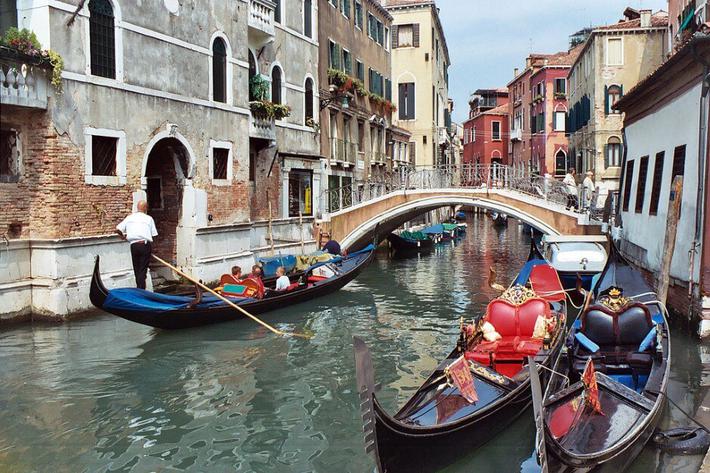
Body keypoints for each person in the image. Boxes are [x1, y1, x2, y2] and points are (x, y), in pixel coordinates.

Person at [116, 200, 158, 290]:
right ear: (145, 208)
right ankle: (141, 290)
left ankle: (139, 289)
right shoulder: (149, 218)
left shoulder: (130, 217)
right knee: (143, 270)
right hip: (144, 245)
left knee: (137, 269)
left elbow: (118, 229)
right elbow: (154, 235)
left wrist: (122, 236)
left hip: (134, 246)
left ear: (137, 208)